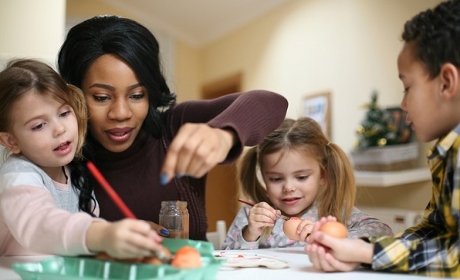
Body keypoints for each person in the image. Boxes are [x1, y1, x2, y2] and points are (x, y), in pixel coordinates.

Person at [57, 15, 288, 241]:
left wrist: (223, 134)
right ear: (74, 95)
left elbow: (272, 103)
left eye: (137, 95)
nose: (121, 113)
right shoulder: (60, 159)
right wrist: (108, 239)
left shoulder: (175, 126)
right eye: (101, 97)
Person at [305, 0, 460, 277]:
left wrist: (368, 254)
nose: (403, 104)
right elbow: (433, 232)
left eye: (407, 87)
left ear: (447, 82)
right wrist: (363, 250)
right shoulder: (447, 151)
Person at [0, 59, 163, 258]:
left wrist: (125, 236)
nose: (60, 129)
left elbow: (76, 242)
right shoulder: (17, 176)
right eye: (39, 126)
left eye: (64, 113)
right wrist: (102, 234)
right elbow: (42, 224)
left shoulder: (77, 175)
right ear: (11, 140)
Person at [222, 117, 393, 250]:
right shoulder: (251, 216)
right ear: (264, 178)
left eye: (301, 177)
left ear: (322, 175)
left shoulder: (332, 211)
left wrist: (328, 235)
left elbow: (383, 231)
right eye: (276, 179)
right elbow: (226, 259)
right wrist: (250, 234)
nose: (289, 187)